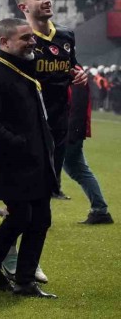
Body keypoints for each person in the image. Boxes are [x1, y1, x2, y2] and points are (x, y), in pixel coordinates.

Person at [0, 0, 88, 282]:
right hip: (25, 129)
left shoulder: (65, 35)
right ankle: (11, 257)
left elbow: (71, 66)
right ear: (23, 7)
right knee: (20, 199)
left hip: (56, 129)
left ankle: (27, 260)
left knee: (43, 199)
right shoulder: (18, 40)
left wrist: (79, 73)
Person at [0, 18, 57, 298]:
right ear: (4, 42)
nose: (32, 42)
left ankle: (22, 281)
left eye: (32, 37)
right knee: (21, 217)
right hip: (12, 162)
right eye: (25, 38)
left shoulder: (25, 67)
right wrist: (18, 144)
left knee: (40, 218)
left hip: (37, 157)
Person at [64, 82, 113, 224]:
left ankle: (30, 212)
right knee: (78, 170)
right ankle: (100, 210)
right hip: (71, 132)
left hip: (68, 133)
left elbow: (76, 107)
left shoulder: (74, 77)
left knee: (48, 171)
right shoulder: (75, 76)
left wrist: (72, 134)